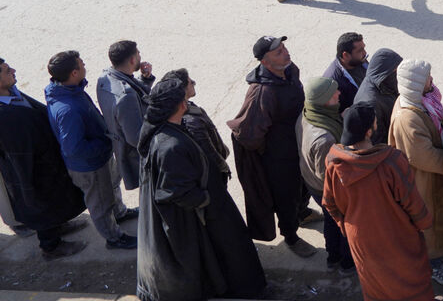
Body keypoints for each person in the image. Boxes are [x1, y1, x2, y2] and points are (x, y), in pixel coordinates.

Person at [135, 77, 267, 301]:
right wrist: (205, 199)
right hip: (193, 217)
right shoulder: (170, 146)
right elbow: (177, 191)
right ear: (181, 105)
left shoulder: (166, 131)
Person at [324, 104, 436, 301]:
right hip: (396, 235)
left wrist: (346, 227)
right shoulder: (391, 161)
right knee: (411, 281)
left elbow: (330, 203)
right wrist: (424, 223)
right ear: (369, 131)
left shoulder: (334, 163)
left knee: (376, 285)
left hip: (360, 240)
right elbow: (412, 202)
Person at [226, 35, 315, 257]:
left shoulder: (290, 69)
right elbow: (248, 134)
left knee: (304, 186)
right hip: (280, 157)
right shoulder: (262, 92)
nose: (285, 53)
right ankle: (291, 236)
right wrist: (273, 150)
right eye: (278, 52)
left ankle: (302, 213)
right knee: (286, 196)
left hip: (298, 144)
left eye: (284, 47)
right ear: (265, 62)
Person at [44, 50, 137, 249]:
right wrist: (105, 142)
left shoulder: (69, 89)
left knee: (111, 187)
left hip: (98, 158)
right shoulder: (68, 110)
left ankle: (119, 213)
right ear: (74, 73)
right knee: (100, 204)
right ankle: (114, 238)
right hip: (90, 167)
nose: (85, 65)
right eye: (82, 64)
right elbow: (74, 149)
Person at [390, 59, 443, 287]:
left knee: (440, 217)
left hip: (433, 176)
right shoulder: (407, 117)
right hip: (422, 179)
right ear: (415, 84)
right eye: (427, 78)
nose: (432, 80)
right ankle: (433, 263)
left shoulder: (421, 100)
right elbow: (422, 156)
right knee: (427, 223)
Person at [0, 57, 87, 259]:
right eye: (5, 71)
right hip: (32, 168)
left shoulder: (11, 94)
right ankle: (51, 246)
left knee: (55, 200)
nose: (13, 70)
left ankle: (58, 226)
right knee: (40, 204)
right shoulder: (4, 116)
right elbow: (18, 150)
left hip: (47, 161)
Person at [298, 77, 355, 274]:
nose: (339, 94)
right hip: (326, 187)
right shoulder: (324, 138)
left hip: (311, 180)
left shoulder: (309, 112)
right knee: (343, 225)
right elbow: (327, 176)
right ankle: (347, 264)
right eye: (333, 94)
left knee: (332, 222)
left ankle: (333, 258)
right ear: (323, 101)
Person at [95, 40, 155, 193]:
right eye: (138, 54)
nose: (140, 56)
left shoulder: (106, 78)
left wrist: (145, 79)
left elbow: (136, 101)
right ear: (133, 60)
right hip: (139, 159)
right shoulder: (125, 95)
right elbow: (136, 138)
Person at [351, 48, 404, 145]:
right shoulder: (370, 103)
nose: (398, 75)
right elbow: (377, 140)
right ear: (385, 73)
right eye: (396, 71)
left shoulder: (381, 83)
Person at [322, 31, 367, 112]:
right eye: (360, 50)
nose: (365, 53)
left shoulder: (360, 60)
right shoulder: (334, 82)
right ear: (345, 55)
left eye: (364, 48)